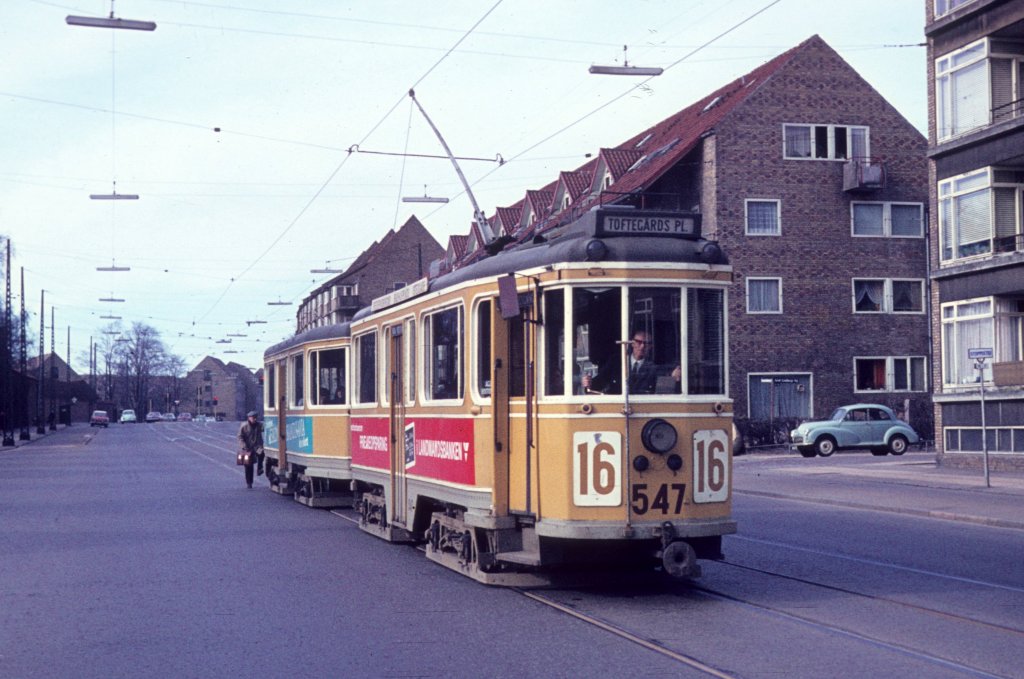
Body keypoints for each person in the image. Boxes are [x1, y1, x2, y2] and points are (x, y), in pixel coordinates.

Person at [582, 330, 681, 395]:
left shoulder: (657, 366)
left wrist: (673, 379)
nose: (642, 346)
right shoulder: (616, 363)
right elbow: (597, 385)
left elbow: (664, 393)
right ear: (632, 343)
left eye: (647, 343)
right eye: (639, 342)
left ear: (651, 346)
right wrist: (588, 383)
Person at [237, 410, 264, 489]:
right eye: (253, 418)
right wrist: (243, 445)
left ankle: (260, 468)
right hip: (248, 448)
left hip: (257, 446)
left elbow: (267, 428)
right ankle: (249, 482)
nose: (254, 419)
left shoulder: (259, 425)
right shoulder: (244, 426)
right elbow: (240, 437)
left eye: (255, 418)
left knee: (262, 454)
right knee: (248, 465)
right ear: (249, 418)